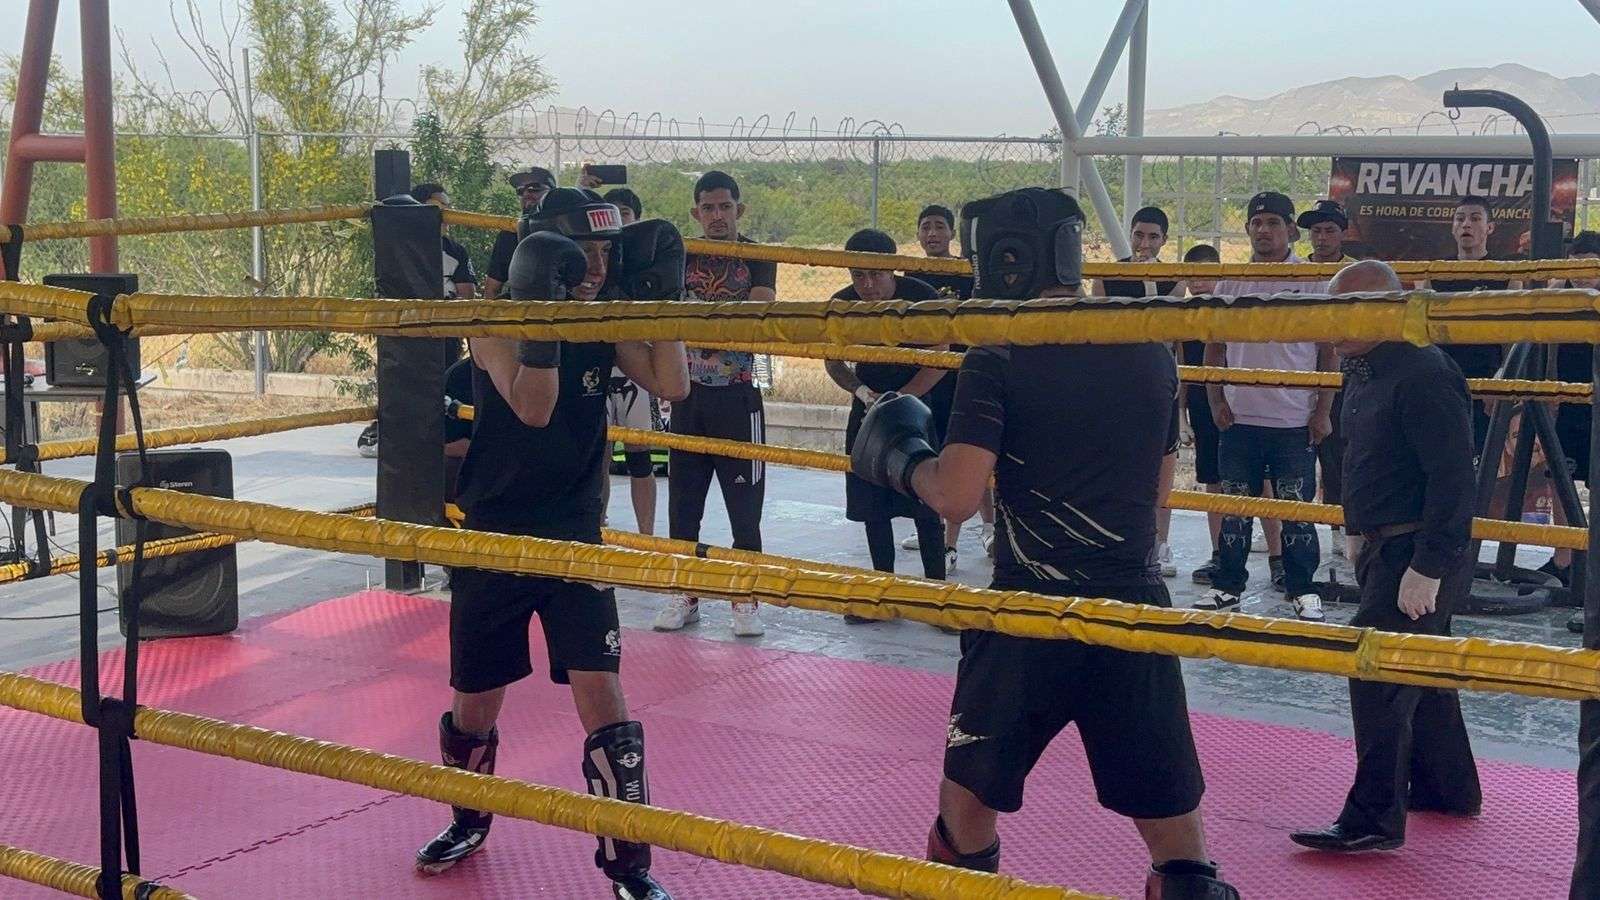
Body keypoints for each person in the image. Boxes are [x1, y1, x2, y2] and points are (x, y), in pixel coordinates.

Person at [850, 187, 1237, 897]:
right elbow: (1160, 493)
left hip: (1029, 611)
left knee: (965, 816)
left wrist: (903, 459)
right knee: (1180, 843)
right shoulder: (1149, 347)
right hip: (1132, 609)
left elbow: (956, 496)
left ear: (1002, 259)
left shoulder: (1002, 354)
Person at [415, 188, 689, 900]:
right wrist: (542, 309)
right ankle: (469, 819)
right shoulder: (492, 321)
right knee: (476, 704)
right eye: (580, 252)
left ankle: (629, 866)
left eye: (605, 252)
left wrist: (663, 303)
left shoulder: (601, 320)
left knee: (605, 697)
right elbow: (533, 408)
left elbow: (672, 383)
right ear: (542, 254)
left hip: (573, 535)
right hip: (494, 537)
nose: (595, 266)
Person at [1290, 260, 1482, 853]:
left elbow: (1453, 479)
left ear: (1385, 309)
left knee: (1375, 671)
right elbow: (1360, 455)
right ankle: (1448, 788)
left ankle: (1373, 816)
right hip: (1384, 542)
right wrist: (1356, 528)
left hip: (1417, 547)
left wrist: (1429, 566)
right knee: (1421, 669)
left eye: (1344, 311)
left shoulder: (1424, 374)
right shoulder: (1365, 371)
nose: (1332, 324)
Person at [1195, 192, 1335, 621]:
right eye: (1257, 223)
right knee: (1236, 510)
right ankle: (1227, 585)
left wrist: (1322, 410)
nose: (1264, 230)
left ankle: (1303, 589)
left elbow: (1328, 350)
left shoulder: (1313, 280)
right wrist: (1216, 398)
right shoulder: (1230, 281)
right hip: (1240, 417)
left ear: (1291, 230)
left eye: (1273, 222)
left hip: (1294, 418)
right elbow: (1213, 345)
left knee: (1296, 512)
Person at [654, 171, 776, 637]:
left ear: (739, 210)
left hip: (738, 394)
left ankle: (745, 597)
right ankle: (683, 592)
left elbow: (755, 313)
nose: (718, 216)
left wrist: (696, 322)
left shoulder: (757, 255)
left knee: (745, 507)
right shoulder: (680, 255)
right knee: (684, 504)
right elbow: (664, 311)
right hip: (688, 394)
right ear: (696, 212)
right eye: (709, 208)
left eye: (725, 207)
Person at [824, 229, 948, 619]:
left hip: (917, 406)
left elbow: (942, 355)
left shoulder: (922, 297)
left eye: (876, 274)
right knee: (871, 504)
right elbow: (831, 359)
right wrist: (863, 392)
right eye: (858, 275)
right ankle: (883, 593)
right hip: (868, 404)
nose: (867, 285)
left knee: (928, 503)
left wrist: (904, 397)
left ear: (892, 267)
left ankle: (938, 597)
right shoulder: (842, 304)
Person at [899, 203, 994, 567]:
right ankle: (933, 526)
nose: (933, 233)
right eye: (926, 227)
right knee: (931, 447)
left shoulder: (968, 272)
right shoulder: (909, 275)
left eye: (940, 226)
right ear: (918, 234)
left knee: (969, 449)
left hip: (965, 371)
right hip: (926, 374)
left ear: (952, 233)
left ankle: (980, 530)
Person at [356, 183, 478, 459]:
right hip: (405, 329)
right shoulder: (401, 247)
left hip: (443, 329)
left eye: (448, 208)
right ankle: (395, 436)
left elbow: (467, 293)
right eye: (439, 207)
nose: (446, 215)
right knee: (402, 383)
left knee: (443, 384)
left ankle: (435, 441)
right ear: (421, 210)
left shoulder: (455, 250)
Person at [1095, 205, 1182, 579]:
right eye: (1139, 235)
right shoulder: (1107, 276)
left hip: (1159, 380)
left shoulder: (1174, 279)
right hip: (1116, 382)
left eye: (1153, 236)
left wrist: (1148, 280)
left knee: (1163, 461)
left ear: (1164, 240)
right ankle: (1113, 539)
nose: (1145, 243)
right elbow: (1100, 332)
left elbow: (1167, 331)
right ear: (1130, 235)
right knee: (1115, 462)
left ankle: (1160, 542)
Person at [1427, 195, 1516, 460]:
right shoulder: (1435, 273)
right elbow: (1423, 335)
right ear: (1453, 227)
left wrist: (1502, 379)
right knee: (1442, 457)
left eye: (1475, 218)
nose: (1466, 224)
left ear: (1490, 227)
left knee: (1484, 461)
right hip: (1442, 378)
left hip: (1487, 378)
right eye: (1460, 219)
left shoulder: (1505, 275)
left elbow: (1513, 339)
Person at [598, 187, 664, 536]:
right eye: (610, 212)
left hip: (634, 367)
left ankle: (647, 537)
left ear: (637, 218)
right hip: (598, 364)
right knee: (599, 454)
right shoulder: (596, 256)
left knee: (640, 455)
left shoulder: (646, 260)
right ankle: (596, 528)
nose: (618, 219)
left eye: (623, 212)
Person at [1541, 229, 1600, 586]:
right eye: (1575, 265)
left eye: (1589, 266)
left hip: (1595, 403)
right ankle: (1563, 558)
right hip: (1563, 402)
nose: (1580, 273)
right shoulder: (1557, 293)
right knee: (1559, 481)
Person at [1297, 199, 1353, 558]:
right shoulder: (1294, 272)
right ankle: (1285, 526)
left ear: (1342, 233)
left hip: (1345, 377)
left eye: (1329, 230)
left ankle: (1340, 528)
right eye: (1316, 231)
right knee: (1292, 457)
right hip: (1296, 374)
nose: (1321, 237)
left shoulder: (1356, 273)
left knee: (1338, 458)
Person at [1178, 243, 1227, 584]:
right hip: (1201, 402)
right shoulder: (1184, 316)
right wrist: (1181, 416)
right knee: (1213, 477)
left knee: (1264, 480)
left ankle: (1278, 555)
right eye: (1191, 276)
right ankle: (1219, 552)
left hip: (1239, 398)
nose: (1198, 282)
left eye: (1205, 274)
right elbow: (1183, 367)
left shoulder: (1233, 308)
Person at [483, 166, 557, 300]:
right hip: (521, 308)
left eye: (534, 188)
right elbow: (491, 289)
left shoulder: (568, 227)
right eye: (520, 190)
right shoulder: (509, 234)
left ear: (552, 193)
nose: (526, 194)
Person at [1297, 199, 1350, 264]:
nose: (1322, 237)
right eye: (1316, 231)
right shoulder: (1295, 267)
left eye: (1330, 231)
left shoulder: (1355, 268)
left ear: (1344, 234)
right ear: (1309, 234)